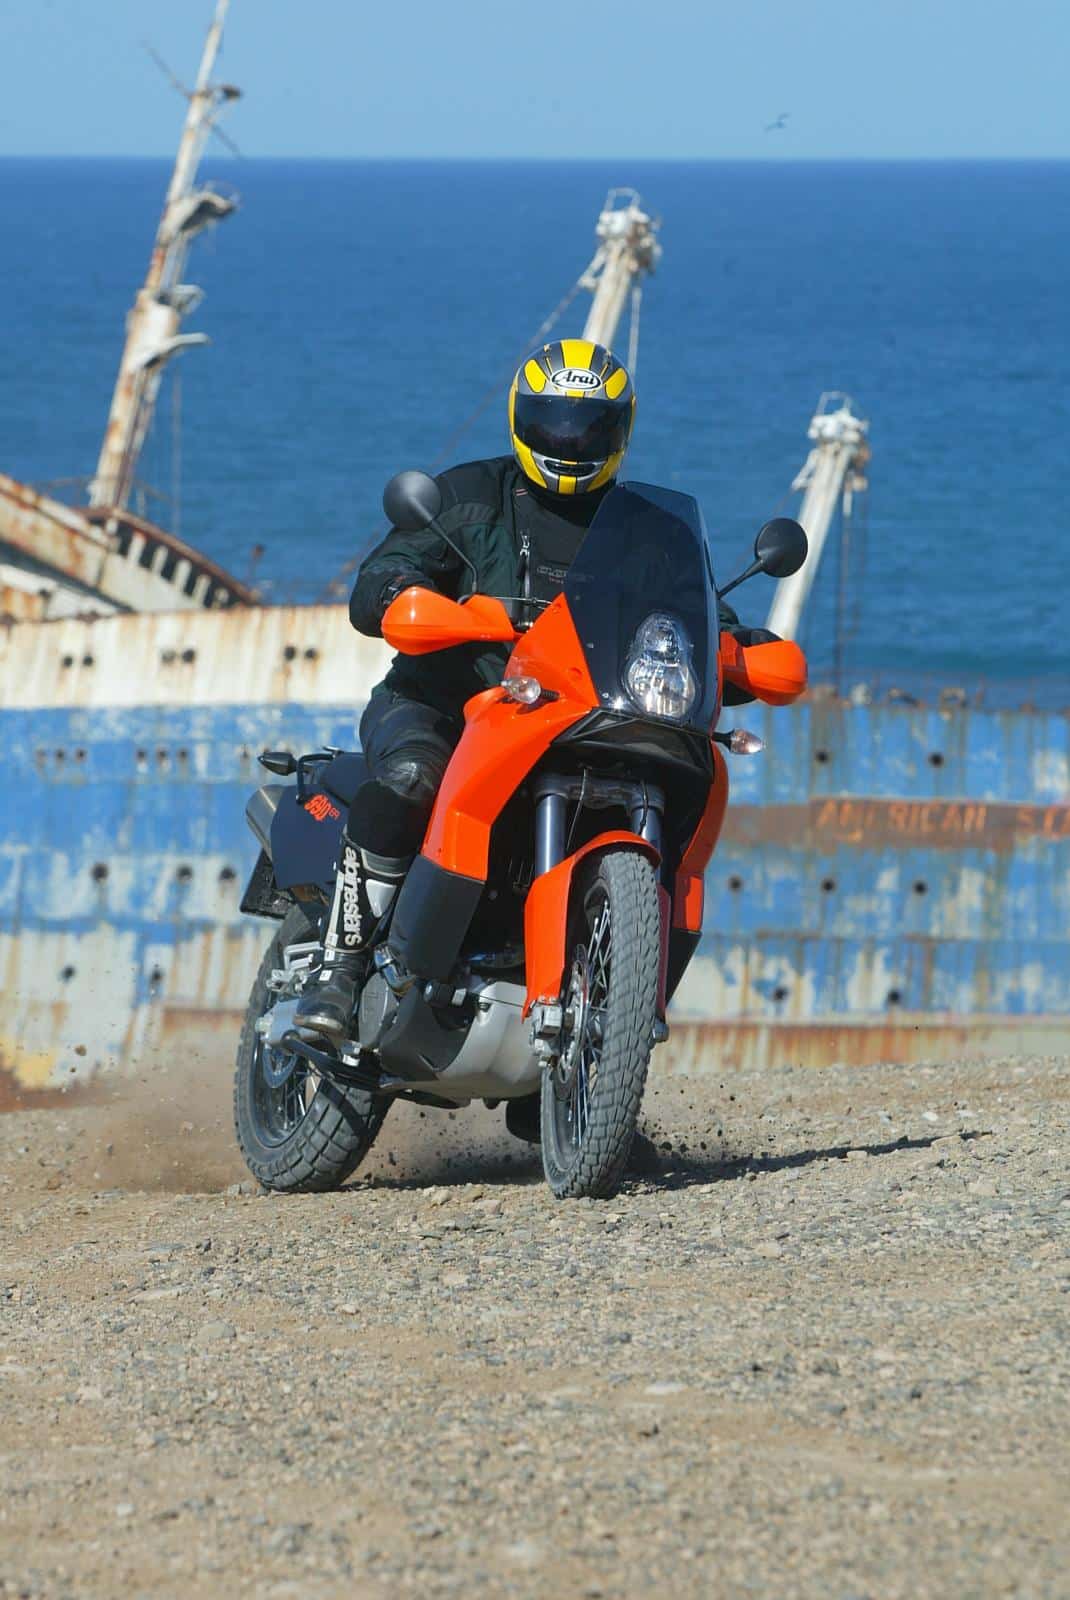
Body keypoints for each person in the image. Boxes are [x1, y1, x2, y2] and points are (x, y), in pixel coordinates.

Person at [295, 338, 772, 1038]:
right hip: (445, 706)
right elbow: (385, 573)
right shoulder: (468, 496)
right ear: (522, 418)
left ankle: (604, 1029)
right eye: (554, 424)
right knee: (412, 780)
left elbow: (695, 610)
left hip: (580, 718)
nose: (570, 442)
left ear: (621, 429)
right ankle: (338, 971)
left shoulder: (649, 531)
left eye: (589, 427)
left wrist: (745, 648)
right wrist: (409, 598)